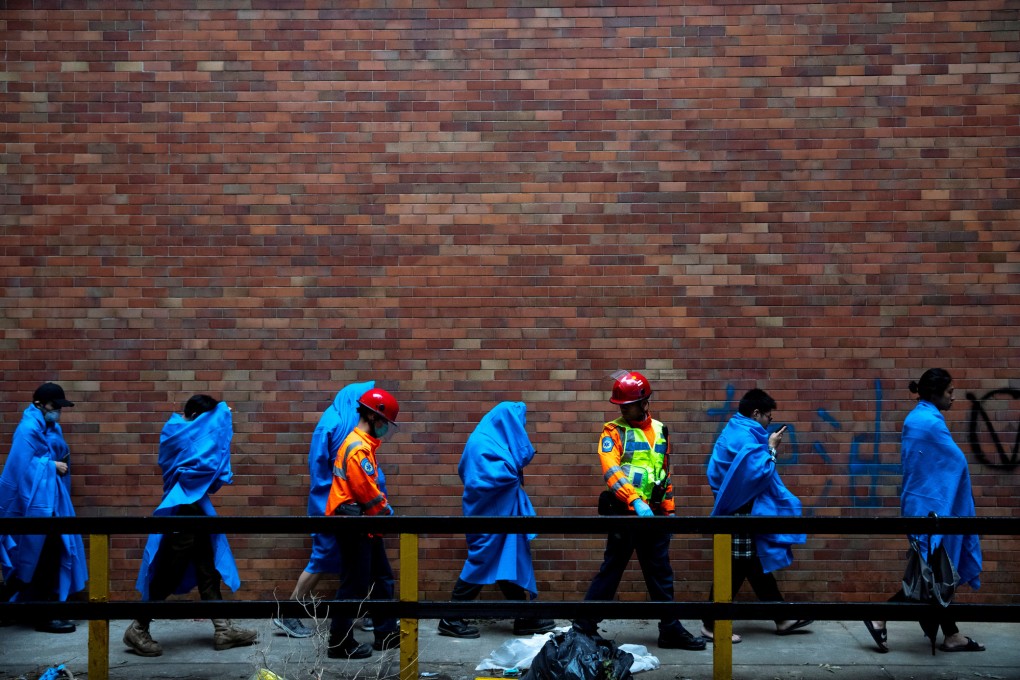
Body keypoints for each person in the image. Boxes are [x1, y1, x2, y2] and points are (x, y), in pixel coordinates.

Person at [572, 371, 706, 651]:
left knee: (661, 573)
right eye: (620, 404)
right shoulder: (613, 431)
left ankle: (670, 629)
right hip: (625, 513)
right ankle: (583, 627)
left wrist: (668, 510)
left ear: (644, 402)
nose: (622, 408)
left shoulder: (661, 429)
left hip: (654, 515)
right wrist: (634, 500)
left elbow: (662, 473)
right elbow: (612, 470)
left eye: (628, 404)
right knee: (612, 569)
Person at [122, 395, 257, 657]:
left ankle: (222, 628)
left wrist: (218, 413)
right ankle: (138, 628)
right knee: (168, 572)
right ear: (196, 417)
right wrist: (222, 413)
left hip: (195, 508)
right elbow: (204, 464)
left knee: (208, 568)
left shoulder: (188, 430)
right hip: (183, 508)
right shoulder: (177, 431)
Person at [864, 369, 984, 654]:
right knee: (931, 575)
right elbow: (956, 463)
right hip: (932, 510)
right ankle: (879, 616)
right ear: (936, 393)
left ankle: (951, 635)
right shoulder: (928, 423)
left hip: (923, 505)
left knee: (935, 572)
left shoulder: (919, 418)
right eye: (950, 391)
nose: (954, 396)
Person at [272, 380, 383, 639]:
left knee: (355, 559)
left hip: (342, 504)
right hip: (331, 504)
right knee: (322, 557)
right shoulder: (333, 423)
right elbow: (322, 468)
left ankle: (365, 611)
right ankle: (288, 612)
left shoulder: (339, 420)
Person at [700, 388, 812, 644]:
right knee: (737, 566)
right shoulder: (743, 437)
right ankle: (710, 623)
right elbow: (758, 474)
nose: (769, 422)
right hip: (738, 510)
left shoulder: (738, 430)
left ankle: (782, 618)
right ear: (756, 413)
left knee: (752, 564)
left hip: (740, 508)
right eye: (768, 417)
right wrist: (772, 447)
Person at [437, 402, 556, 639]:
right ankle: (450, 617)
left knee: (506, 557)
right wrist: (513, 473)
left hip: (497, 511)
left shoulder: (490, 439)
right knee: (482, 560)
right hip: (488, 513)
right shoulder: (482, 442)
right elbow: (483, 479)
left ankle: (525, 617)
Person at [0, 383, 88, 634]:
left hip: (49, 504)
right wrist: (51, 466)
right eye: (54, 407)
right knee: (43, 557)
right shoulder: (28, 429)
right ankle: (43, 616)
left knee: (37, 558)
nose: (58, 412)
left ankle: (7, 605)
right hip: (35, 507)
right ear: (39, 404)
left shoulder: (48, 427)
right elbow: (20, 468)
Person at [324, 387, 402, 660]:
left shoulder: (362, 445)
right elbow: (367, 494)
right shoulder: (358, 449)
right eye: (383, 422)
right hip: (355, 524)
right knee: (354, 585)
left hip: (362, 524)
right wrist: (387, 514)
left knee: (381, 578)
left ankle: (386, 633)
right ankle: (339, 643)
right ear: (371, 415)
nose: (384, 428)